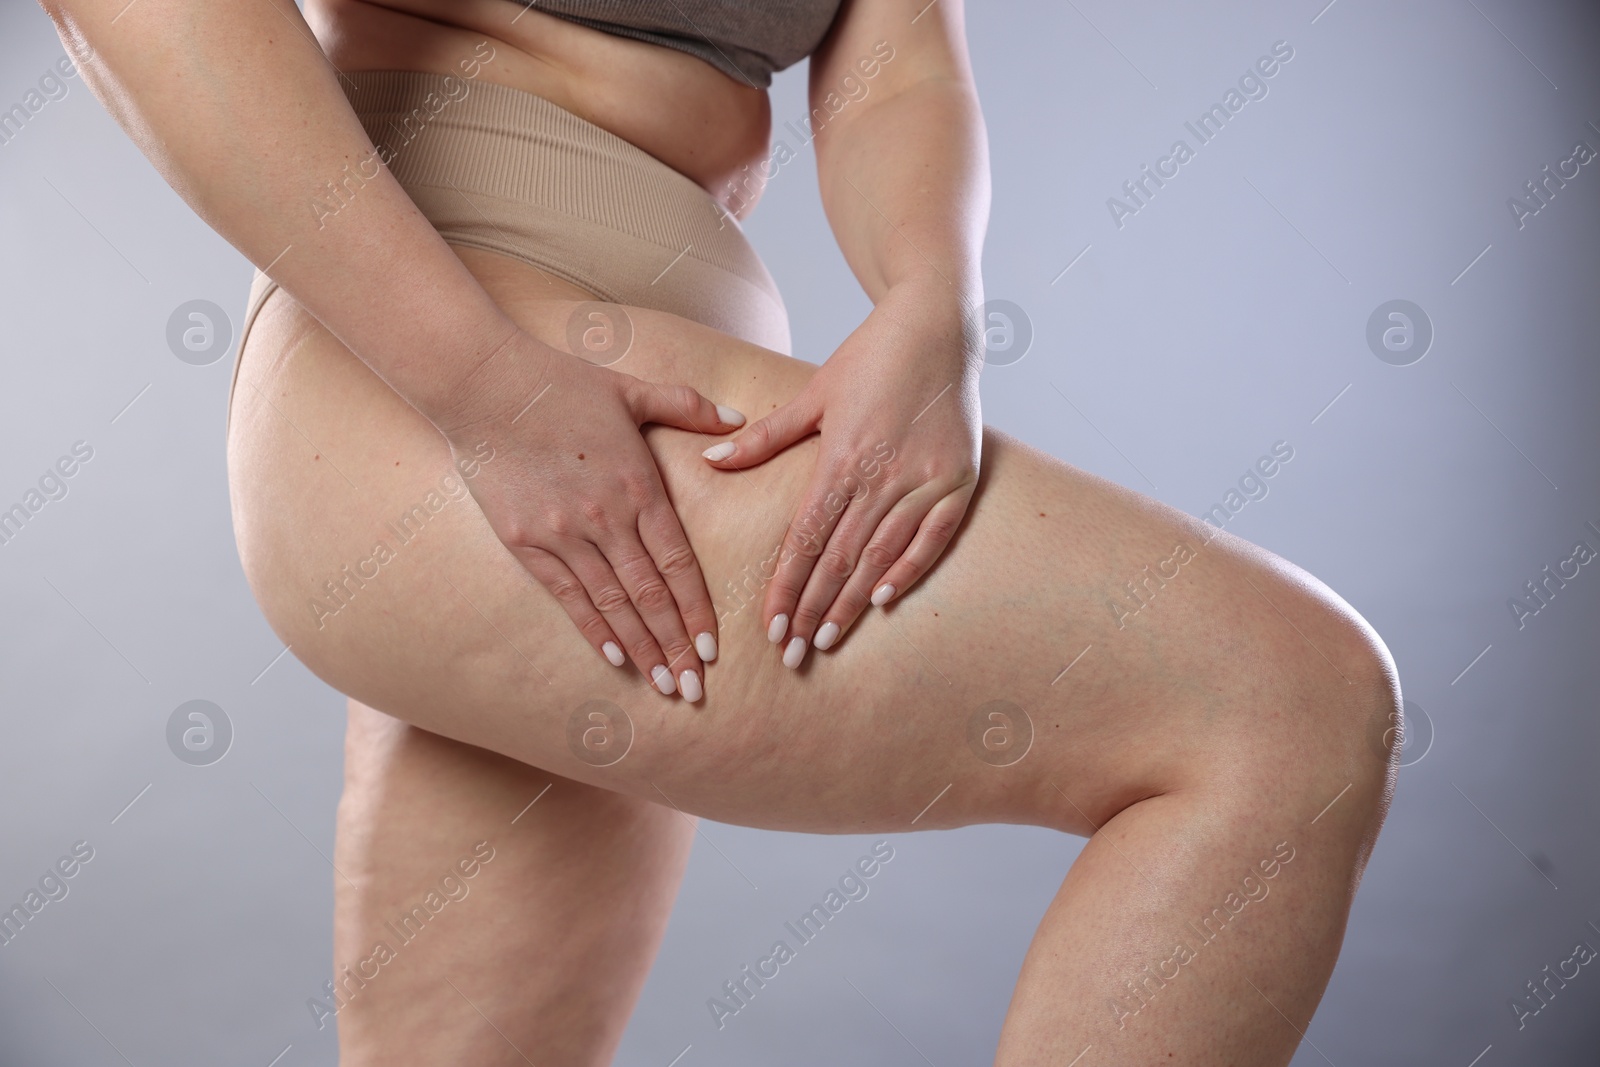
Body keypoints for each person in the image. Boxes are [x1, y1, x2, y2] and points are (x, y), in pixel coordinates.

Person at [40, 0, 1400, 1062]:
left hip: (617, 377)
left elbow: (901, 63)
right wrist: (480, 384)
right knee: (1281, 710)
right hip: (438, 362)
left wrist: (930, 300)